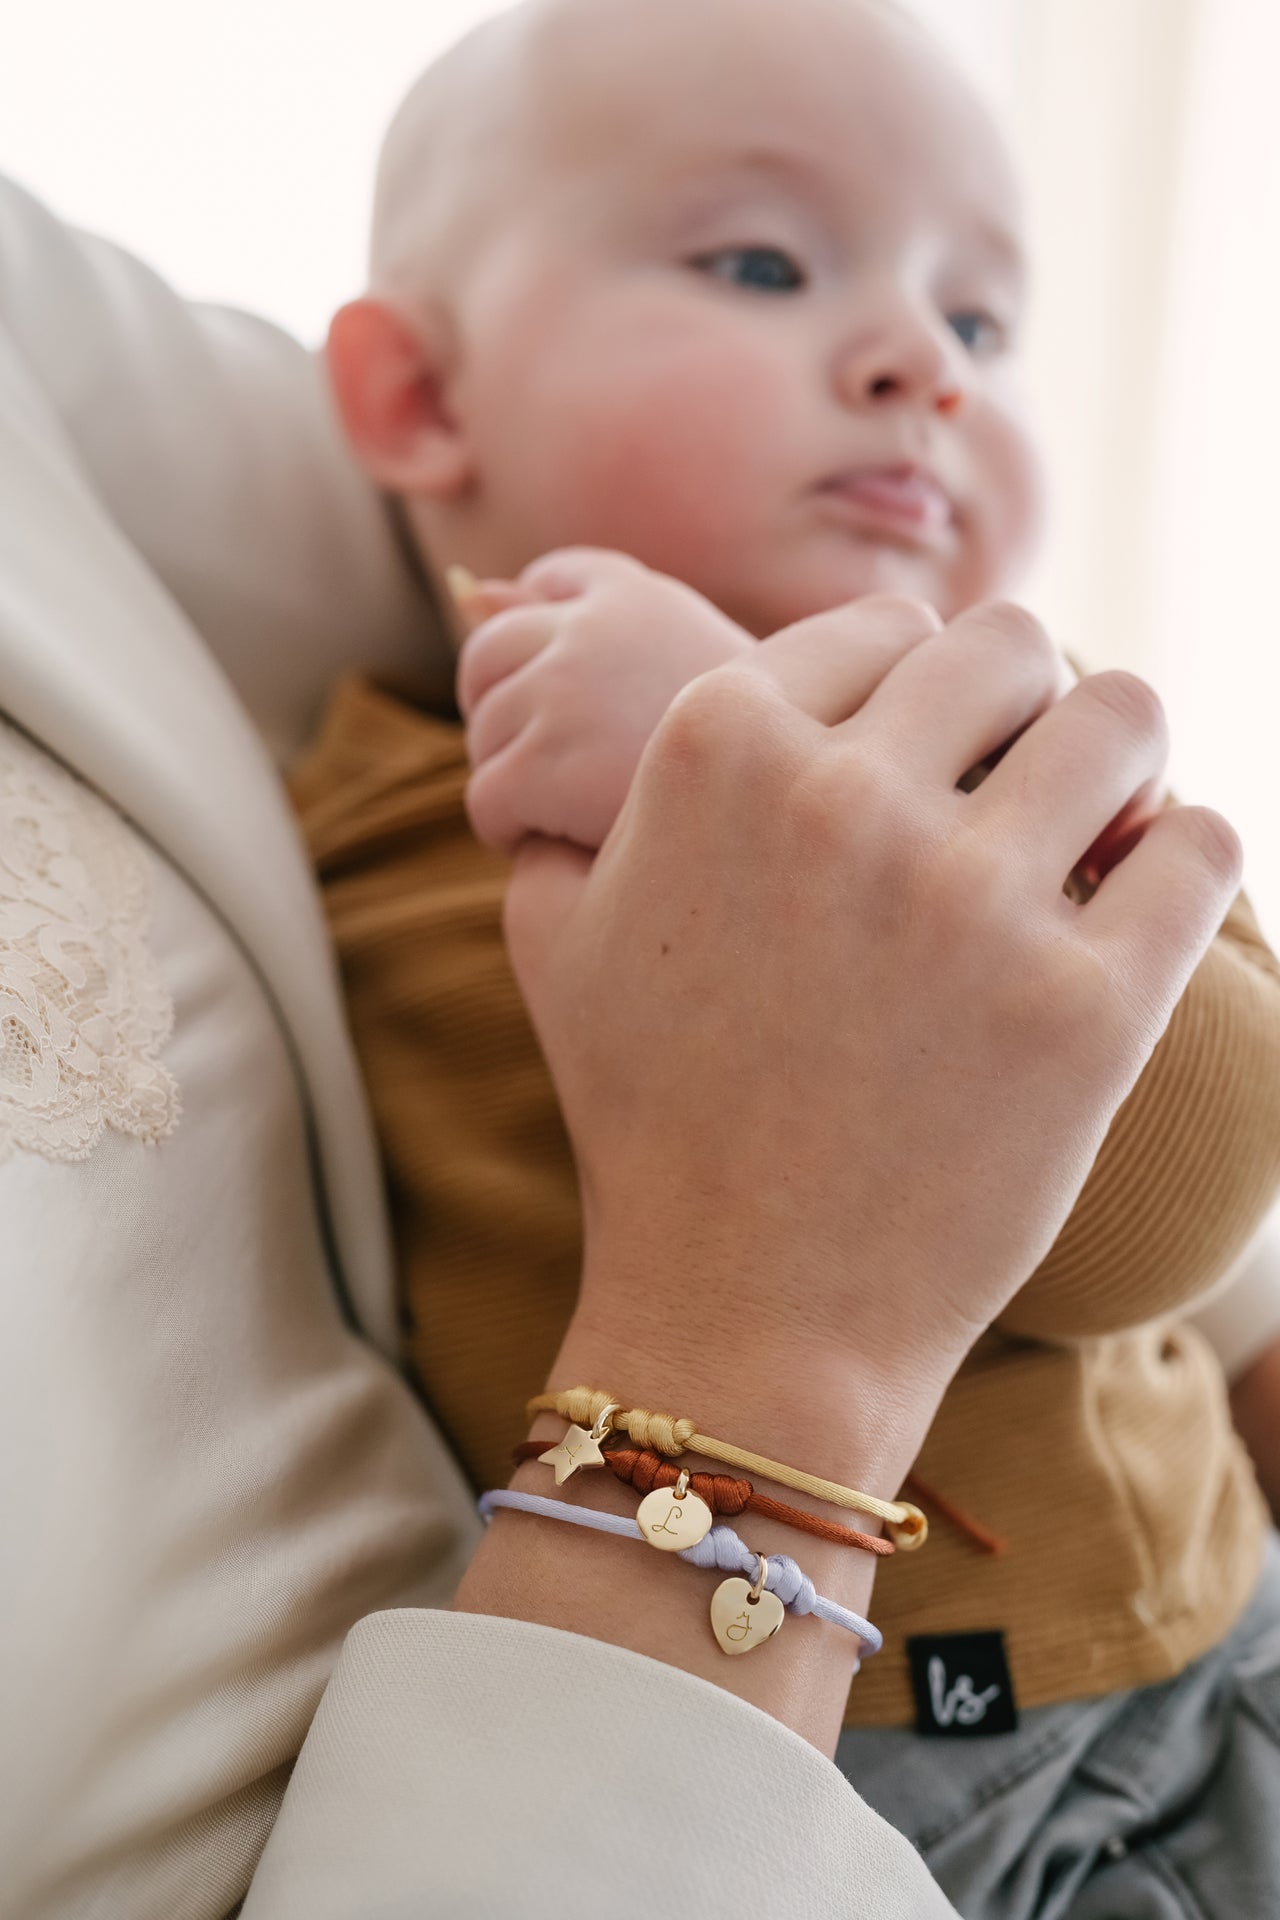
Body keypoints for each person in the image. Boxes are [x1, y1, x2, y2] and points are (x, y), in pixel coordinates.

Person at [290, 0, 1280, 1910]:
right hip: (847, 1785)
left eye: (984, 325)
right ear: (420, 398)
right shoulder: (358, 822)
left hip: (1225, 1645)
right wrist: (716, 739)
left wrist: (752, 709)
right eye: (762, 261)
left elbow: (1202, 1195)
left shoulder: (1015, 747)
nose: (927, 361)